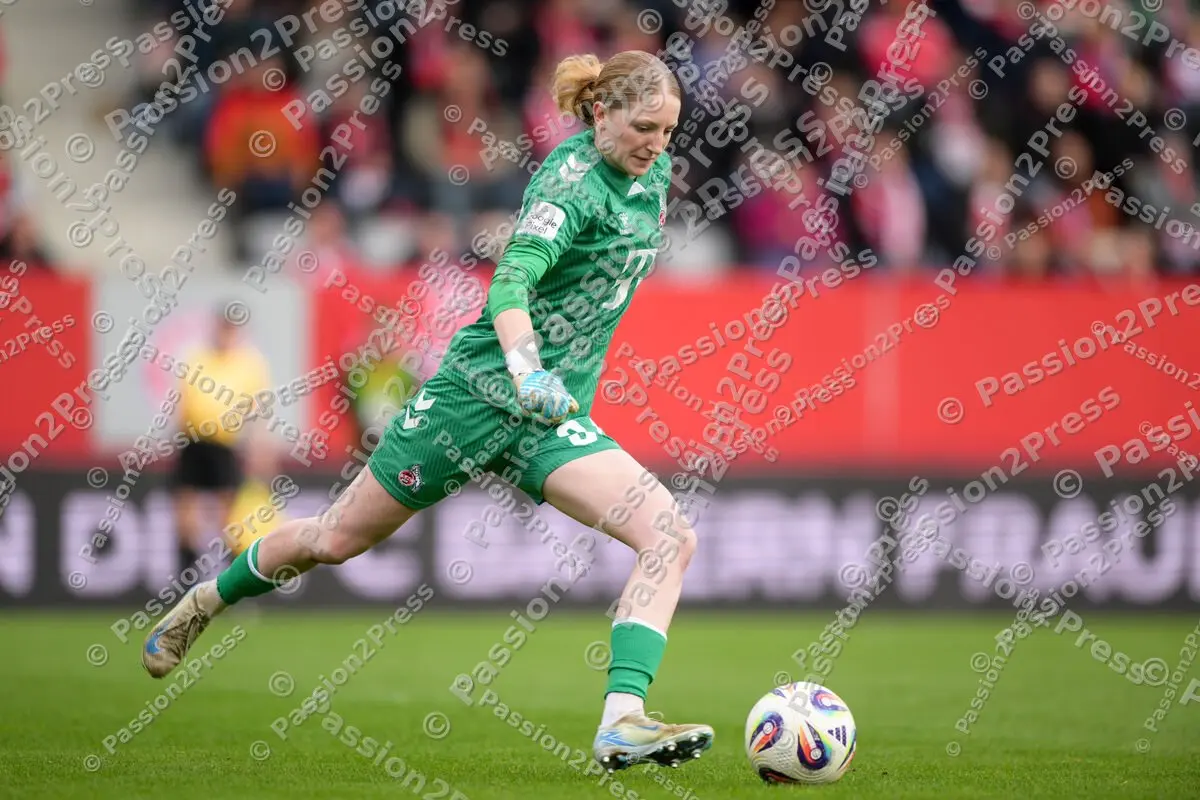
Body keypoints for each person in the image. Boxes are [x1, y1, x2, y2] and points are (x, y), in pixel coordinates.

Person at [142, 50, 713, 773]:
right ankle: (205, 602)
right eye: (644, 128)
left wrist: (545, 384)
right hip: (475, 399)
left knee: (670, 536)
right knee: (333, 539)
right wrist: (526, 366)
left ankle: (621, 721)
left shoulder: (650, 174)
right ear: (600, 114)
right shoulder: (569, 184)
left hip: (549, 417)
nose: (658, 145)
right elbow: (510, 284)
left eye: (669, 131)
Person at [172, 308, 272, 574]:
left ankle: (231, 579)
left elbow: (258, 411)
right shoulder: (196, 357)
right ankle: (184, 577)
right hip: (193, 442)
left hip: (225, 446)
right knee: (186, 515)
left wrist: (260, 451)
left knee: (229, 517)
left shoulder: (250, 363)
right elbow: (182, 404)